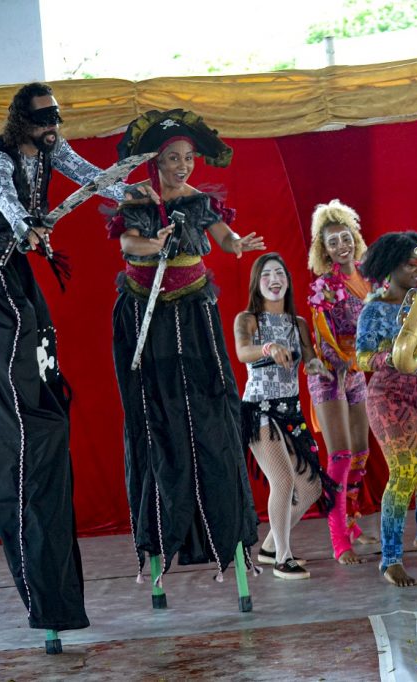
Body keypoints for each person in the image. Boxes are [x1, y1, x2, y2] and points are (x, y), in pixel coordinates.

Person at [0, 81, 129, 635]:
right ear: (22, 119)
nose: (54, 123)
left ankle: (37, 401)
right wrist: (26, 228)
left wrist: (127, 192)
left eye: (57, 114)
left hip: (13, 266)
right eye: (45, 116)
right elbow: (9, 205)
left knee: (41, 341)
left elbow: (88, 174)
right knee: (15, 347)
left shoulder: (51, 147)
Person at [109, 108, 265, 581]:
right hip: (147, 313)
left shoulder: (197, 199)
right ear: (156, 159)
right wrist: (151, 246)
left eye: (189, 158)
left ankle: (227, 534)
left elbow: (221, 235)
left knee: (209, 411)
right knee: (157, 414)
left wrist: (236, 244)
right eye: (174, 158)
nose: (183, 165)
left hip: (196, 312)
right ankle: (157, 541)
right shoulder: (138, 198)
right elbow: (128, 246)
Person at [355, 231, 417, 587]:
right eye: (411, 264)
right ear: (389, 267)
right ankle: (391, 559)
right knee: (405, 471)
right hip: (389, 395)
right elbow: (361, 357)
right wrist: (390, 355)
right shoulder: (374, 308)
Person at [234, 253, 338, 579]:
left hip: (290, 411)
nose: (274, 279)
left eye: (280, 273)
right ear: (257, 282)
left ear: (288, 281)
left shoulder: (298, 324)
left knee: (311, 488)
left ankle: (269, 546)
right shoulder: (248, 320)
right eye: (267, 275)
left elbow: (308, 358)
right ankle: (282, 557)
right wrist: (267, 349)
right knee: (283, 480)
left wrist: (319, 367)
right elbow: (242, 352)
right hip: (259, 411)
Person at [305, 199, 376, 565]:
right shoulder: (324, 286)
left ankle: (351, 521)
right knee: (341, 454)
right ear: (324, 249)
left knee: (361, 452)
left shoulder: (369, 277)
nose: (341, 246)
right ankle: (338, 540)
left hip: (357, 371)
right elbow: (323, 335)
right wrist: (344, 362)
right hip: (331, 376)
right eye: (333, 242)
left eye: (345, 238)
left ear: (355, 237)